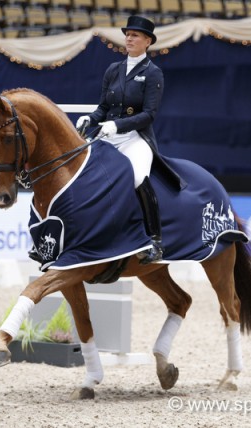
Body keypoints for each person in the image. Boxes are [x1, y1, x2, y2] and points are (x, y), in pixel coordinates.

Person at [76, 15, 165, 264]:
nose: (129, 38)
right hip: (107, 135)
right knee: (80, 175)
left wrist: (118, 125)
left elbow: (149, 115)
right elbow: (103, 107)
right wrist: (90, 119)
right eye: (127, 34)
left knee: (138, 178)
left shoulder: (153, 73)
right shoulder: (113, 70)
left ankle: (155, 240)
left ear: (147, 41)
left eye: (135, 35)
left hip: (135, 138)